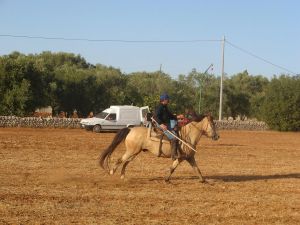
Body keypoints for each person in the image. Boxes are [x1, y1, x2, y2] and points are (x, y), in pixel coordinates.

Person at [155, 92, 180, 160]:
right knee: (174, 137)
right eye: (167, 99)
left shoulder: (165, 107)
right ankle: (173, 155)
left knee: (177, 129)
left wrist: (177, 117)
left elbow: (170, 115)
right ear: (164, 99)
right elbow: (156, 117)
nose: (168, 101)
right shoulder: (159, 107)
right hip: (160, 124)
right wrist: (161, 124)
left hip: (166, 124)